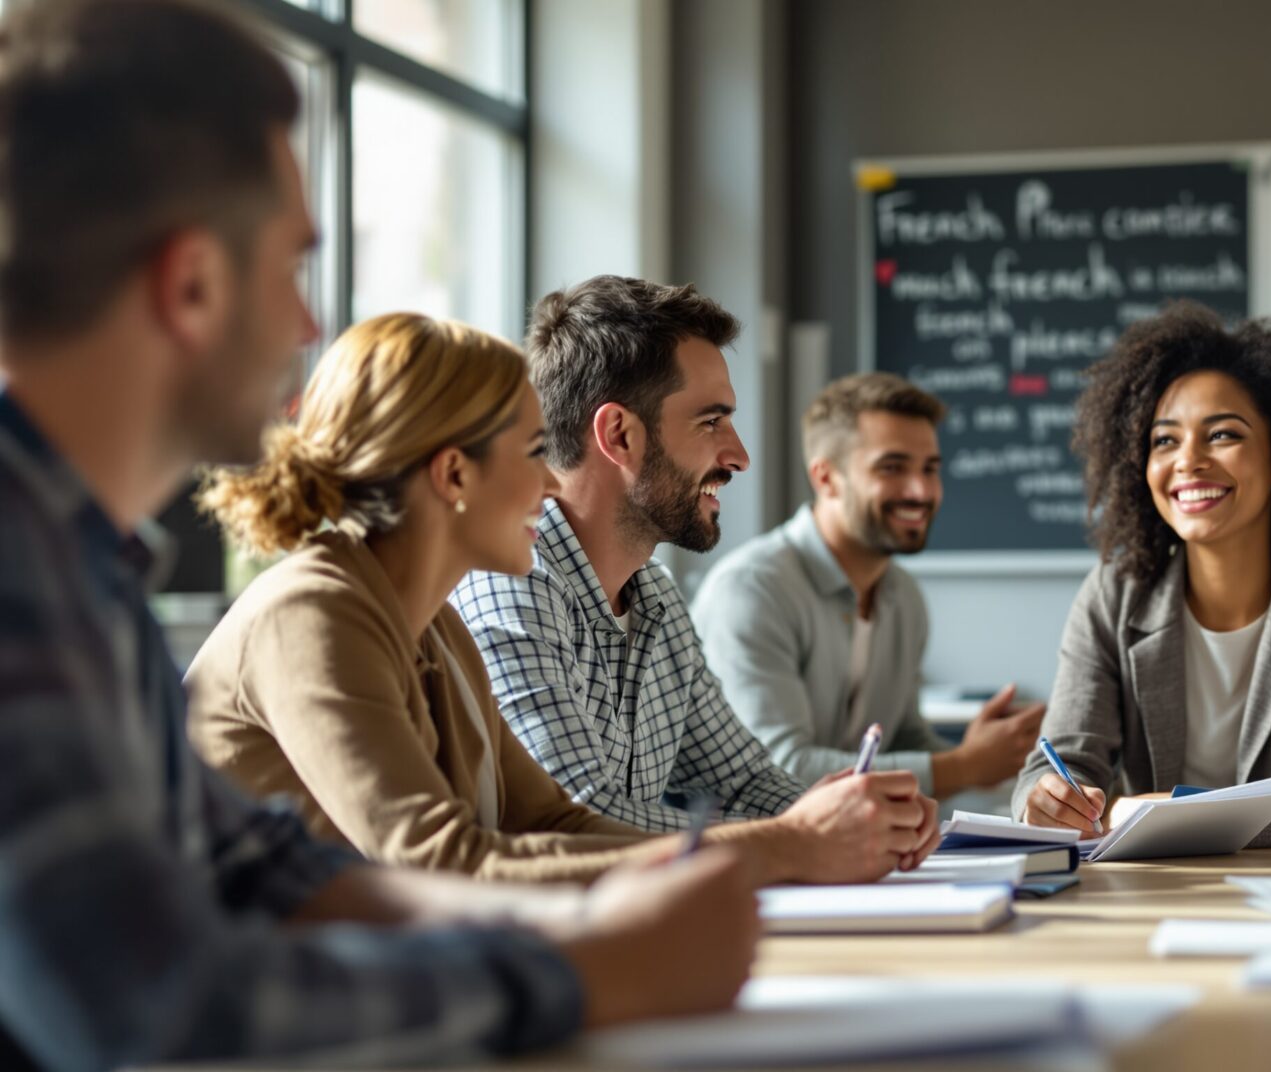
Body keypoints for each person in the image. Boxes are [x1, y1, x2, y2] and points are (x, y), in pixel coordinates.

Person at [0, 2, 753, 1068]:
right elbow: (164, 1014)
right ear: (194, 283)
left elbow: (260, 867)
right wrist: (592, 968)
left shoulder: (84, 564)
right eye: (294, 265)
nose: (311, 326)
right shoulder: (22, 572)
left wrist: (619, 908)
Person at [452, 276, 940, 882]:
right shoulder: (512, 582)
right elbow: (574, 817)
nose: (738, 456)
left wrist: (864, 821)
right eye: (712, 422)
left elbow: (742, 783)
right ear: (619, 436)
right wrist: (799, 837)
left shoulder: (654, 594)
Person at [186, 312, 698, 883]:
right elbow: (437, 861)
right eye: (534, 452)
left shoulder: (439, 630)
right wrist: (765, 852)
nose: (552, 484)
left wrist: (762, 851)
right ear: (454, 474)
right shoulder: (309, 614)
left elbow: (549, 822)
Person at [1012, 302, 1271, 846]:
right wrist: (1046, 798)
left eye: (1222, 435)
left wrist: (1178, 811)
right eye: (1164, 440)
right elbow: (1060, 762)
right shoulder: (1114, 595)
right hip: (1167, 891)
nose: (1188, 461)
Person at [690, 372, 1045, 795]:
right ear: (825, 478)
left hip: (851, 853)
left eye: (930, 469)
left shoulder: (903, 598)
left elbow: (903, 740)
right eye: (891, 468)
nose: (920, 490)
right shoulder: (752, 590)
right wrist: (964, 766)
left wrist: (996, 761)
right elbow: (776, 770)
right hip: (743, 854)